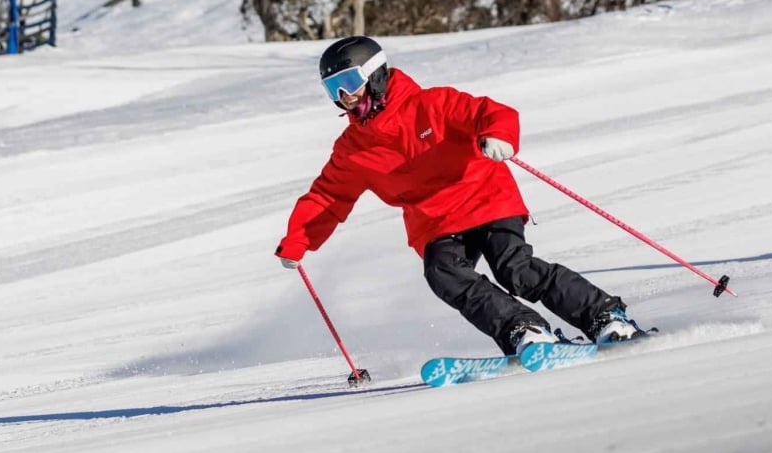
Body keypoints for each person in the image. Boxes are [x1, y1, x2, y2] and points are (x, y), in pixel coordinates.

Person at [275, 35, 641, 356]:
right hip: (435, 221)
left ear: (375, 74)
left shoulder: (433, 104)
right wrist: (298, 240)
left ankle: (605, 317)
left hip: (484, 197)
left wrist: (498, 134)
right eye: (333, 89)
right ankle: (523, 330)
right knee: (443, 273)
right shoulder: (353, 149)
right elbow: (328, 197)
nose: (344, 97)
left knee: (515, 269)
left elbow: (490, 112)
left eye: (349, 82)